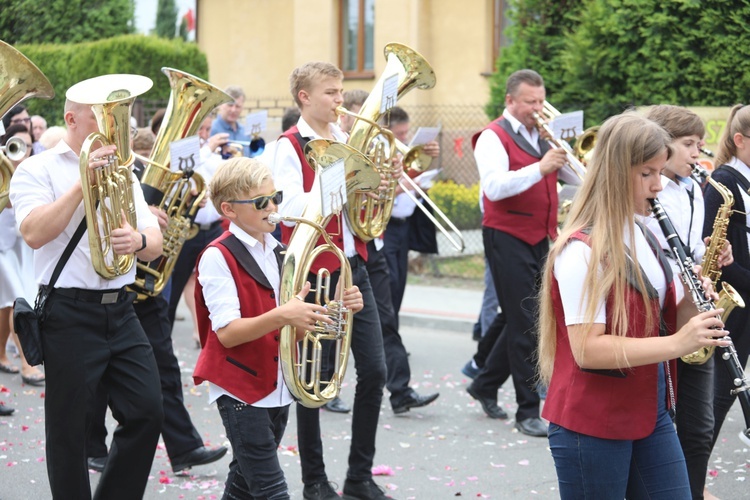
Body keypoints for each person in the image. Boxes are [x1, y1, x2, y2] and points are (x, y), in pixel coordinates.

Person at [538, 111, 728, 499]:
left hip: (650, 411)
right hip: (591, 423)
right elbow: (588, 350)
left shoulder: (643, 234)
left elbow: (662, 321)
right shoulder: (580, 251)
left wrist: (694, 304)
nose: (658, 186)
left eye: (660, 172)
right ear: (613, 172)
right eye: (647, 174)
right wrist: (680, 342)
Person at [9, 94, 164, 498]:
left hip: (122, 308)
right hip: (68, 312)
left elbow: (156, 244)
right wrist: (82, 184)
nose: (114, 129)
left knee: (147, 411)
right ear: (71, 119)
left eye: (118, 119)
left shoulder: (125, 173)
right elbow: (33, 232)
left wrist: (138, 238)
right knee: (69, 430)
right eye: (103, 118)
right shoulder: (36, 169)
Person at [193, 156, 364, 498]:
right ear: (229, 210)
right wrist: (285, 315)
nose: (272, 207)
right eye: (261, 202)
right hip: (240, 390)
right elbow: (226, 333)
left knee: (242, 486)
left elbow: (289, 329)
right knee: (273, 491)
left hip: (278, 385)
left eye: (276, 197)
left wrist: (334, 311)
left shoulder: (280, 251)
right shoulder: (217, 256)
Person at [273, 62, 389, 500]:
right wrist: (336, 180)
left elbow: (359, 219)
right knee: (313, 378)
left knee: (375, 371)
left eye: (341, 92)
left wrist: (373, 191)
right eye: (330, 93)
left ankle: (359, 475)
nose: (340, 100)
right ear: (304, 97)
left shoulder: (346, 140)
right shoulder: (289, 146)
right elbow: (287, 209)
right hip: (313, 272)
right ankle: (314, 480)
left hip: (353, 267)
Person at [86, 119, 228, 475]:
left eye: (127, 130)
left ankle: (184, 448)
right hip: (107, 286)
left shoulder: (141, 172)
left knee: (164, 367)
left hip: (145, 289)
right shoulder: (92, 169)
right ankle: (91, 447)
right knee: (100, 377)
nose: (123, 136)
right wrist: (139, 216)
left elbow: (173, 224)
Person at [466, 69, 572, 437]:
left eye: (541, 101)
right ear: (511, 101)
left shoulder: (544, 135)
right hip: (506, 234)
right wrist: (540, 167)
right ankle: (528, 409)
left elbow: (569, 177)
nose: (538, 109)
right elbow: (494, 188)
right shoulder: (492, 137)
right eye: (530, 102)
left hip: (541, 234)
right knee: (528, 320)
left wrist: (572, 157)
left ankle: (484, 382)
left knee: (517, 315)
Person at [644, 104, 732, 500]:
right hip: (660, 315)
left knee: (699, 424)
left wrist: (712, 251)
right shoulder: (647, 191)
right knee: (658, 421)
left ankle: (692, 490)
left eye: (699, 144)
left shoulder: (695, 187)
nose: (698, 153)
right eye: (688, 144)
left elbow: (692, 247)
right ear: (662, 143)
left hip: (692, 309)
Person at [339, 92, 439, 417]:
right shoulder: (338, 150)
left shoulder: (377, 149)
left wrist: (397, 180)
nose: (370, 125)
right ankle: (323, 386)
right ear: (344, 118)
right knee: (332, 323)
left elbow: (379, 201)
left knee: (386, 319)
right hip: (342, 249)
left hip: (373, 245)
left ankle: (400, 391)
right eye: (362, 116)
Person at [702, 104, 750, 492]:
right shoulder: (724, 182)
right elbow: (715, 253)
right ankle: (692, 479)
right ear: (739, 140)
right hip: (735, 301)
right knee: (718, 396)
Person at [0, 124, 45, 386]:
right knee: (19, 299)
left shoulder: (33, 170)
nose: (23, 151)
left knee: (6, 303)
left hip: (22, 246)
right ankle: (28, 365)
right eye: (18, 145)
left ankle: (2, 355)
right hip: (3, 244)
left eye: (28, 146)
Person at [210, 86, 251, 156]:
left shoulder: (246, 132)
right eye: (230, 105)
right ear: (220, 105)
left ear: (242, 108)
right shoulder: (210, 129)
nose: (233, 110)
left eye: (238, 106)